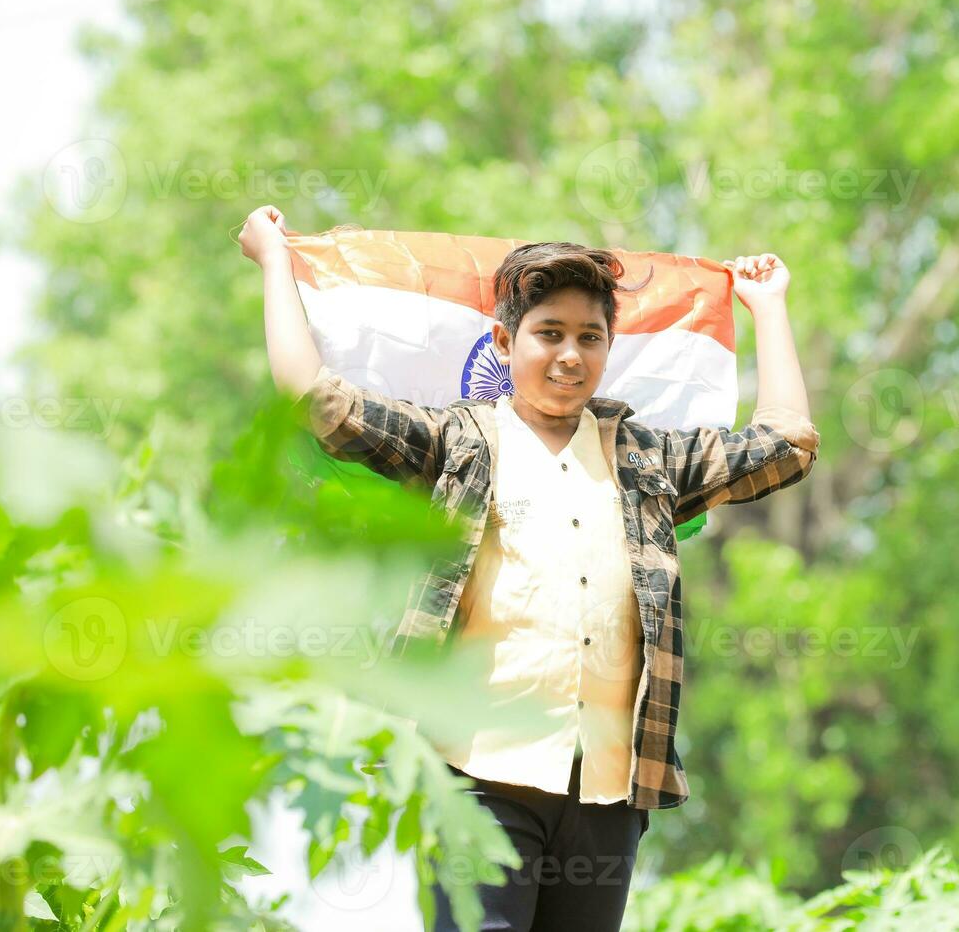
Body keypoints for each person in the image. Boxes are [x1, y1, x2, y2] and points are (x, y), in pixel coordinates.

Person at [239, 204, 820, 931]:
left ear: (609, 348)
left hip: (607, 790)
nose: (570, 355)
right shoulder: (458, 443)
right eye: (550, 334)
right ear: (506, 341)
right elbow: (319, 402)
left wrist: (767, 305)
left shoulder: (647, 459)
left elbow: (788, 444)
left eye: (590, 338)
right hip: (477, 780)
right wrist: (272, 261)